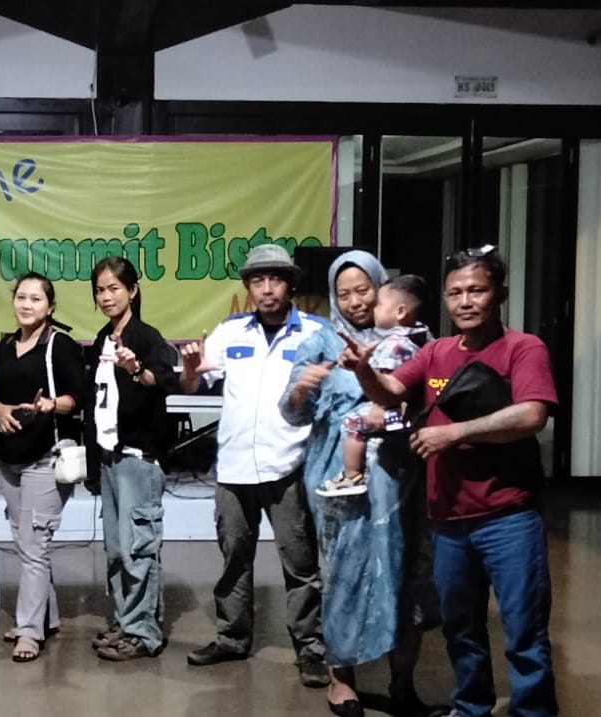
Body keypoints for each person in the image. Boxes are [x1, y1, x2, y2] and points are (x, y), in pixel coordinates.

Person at [347, 246, 559, 717]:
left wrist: (455, 432)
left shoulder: (524, 348)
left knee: (525, 632)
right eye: (455, 292)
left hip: (508, 516)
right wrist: (363, 369)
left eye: (476, 290)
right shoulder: (436, 351)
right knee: (460, 631)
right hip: (447, 520)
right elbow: (391, 391)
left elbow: (532, 414)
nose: (465, 301)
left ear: (499, 293)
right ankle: (470, 709)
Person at [280, 251, 441, 717]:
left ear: (380, 287)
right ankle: (341, 680)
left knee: (405, 574)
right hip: (340, 480)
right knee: (344, 576)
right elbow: (291, 414)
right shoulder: (319, 342)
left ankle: (403, 684)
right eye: (344, 293)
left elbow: (436, 397)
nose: (355, 302)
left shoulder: (416, 339)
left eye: (363, 290)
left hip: (401, 476)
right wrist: (302, 388)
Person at [179, 243, 329, 688]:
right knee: (233, 559)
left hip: (289, 466)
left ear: (290, 285)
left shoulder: (315, 333)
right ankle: (232, 638)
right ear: (248, 286)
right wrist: (190, 369)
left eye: (275, 279)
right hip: (234, 468)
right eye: (257, 280)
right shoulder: (230, 332)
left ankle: (311, 648)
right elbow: (192, 383)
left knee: (300, 564)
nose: (266, 289)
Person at [84, 256, 179, 662]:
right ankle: (125, 621)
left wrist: (136, 368)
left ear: (132, 291)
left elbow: (164, 379)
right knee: (116, 549)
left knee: (139, 549)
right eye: (100, 290)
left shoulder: (146, 337)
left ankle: (144, 632)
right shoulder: (101, 339)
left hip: (138, 461)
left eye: (114, 288)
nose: (106, 297)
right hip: (109, 459)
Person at [0, 272, 86, 663]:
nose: (27, 305)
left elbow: (78, 397)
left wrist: (51, 405)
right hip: (9, 458)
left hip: (46, 456)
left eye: (36, 299)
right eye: (22, 297)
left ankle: (29, 632)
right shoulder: (5, 346)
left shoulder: (59, 345)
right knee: (27, 544)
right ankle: (47, 618)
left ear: (50, 306)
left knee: (34, 546)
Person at [318, 274, 431, 497]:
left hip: (393, 414)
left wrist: (379, 406)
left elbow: (387, 380)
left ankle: (351, 475)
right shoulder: (420, 335)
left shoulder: (394, 344)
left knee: (351, 422)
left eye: (378, 304)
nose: (373, 309)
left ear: (400, 312)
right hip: (411, 416)